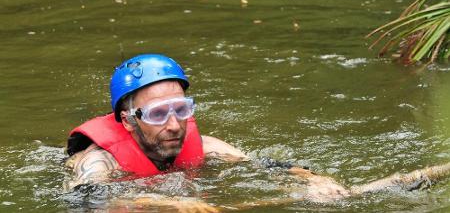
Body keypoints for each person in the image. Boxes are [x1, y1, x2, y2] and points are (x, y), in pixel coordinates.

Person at [65, 53, 450, 207]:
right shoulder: (98, 161)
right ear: (128, 120)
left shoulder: (204, 144)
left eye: (182, 109)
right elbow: (87, 200)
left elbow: (267, 166)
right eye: (157, 114)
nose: (174, 125)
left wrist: (312, 179)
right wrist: (168, 203)